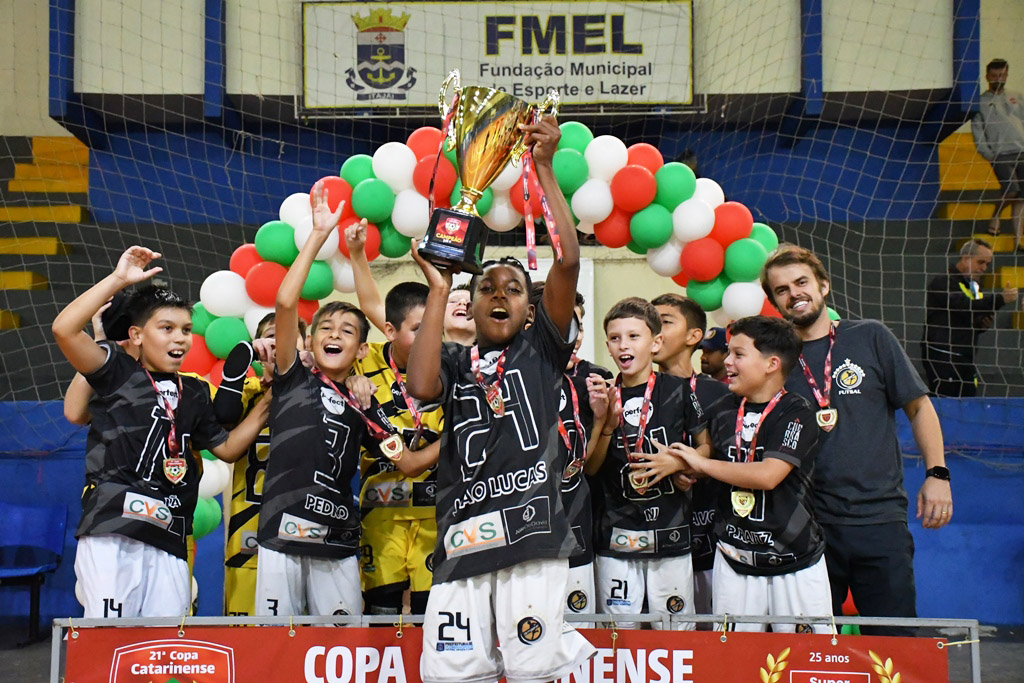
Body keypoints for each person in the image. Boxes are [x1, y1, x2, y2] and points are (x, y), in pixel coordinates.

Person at [406, 116, 596, 683]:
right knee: (451, 673)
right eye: (485, 287)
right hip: (462, 537)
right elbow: (419, 387)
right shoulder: (457, 362)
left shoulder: (542, 350)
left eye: (513, 289)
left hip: (532, 532)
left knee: (533, 668)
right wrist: (440, 289)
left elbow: (565, 262)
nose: (498, 295)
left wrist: (543, 169)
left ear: (530, 310)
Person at [51, 248, 267, 618]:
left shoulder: (195, 391)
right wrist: (118, 280)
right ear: (135, 335)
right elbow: (63, 329)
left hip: (169, 536)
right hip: (113, 527)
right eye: (166, 328)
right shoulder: (116, 370)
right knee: (109, 643)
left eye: (186, 330)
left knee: (164, 649)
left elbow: (228, 449)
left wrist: (267, 402)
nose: (180, 339)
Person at [255, 183, 428, 619]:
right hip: (281, 536)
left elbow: (406, 464)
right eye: (326, 328)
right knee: (276, 651)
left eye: (348, 331)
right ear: (308, 342)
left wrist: (466, 421)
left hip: (338, 541)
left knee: (343, 649)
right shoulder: (293, 376)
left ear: (361, 351)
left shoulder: (363, 403)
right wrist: (318, 237)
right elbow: (284, 300)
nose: (335, 334)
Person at [762, 244, 952, 636]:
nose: (794, 293)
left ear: (824, 286)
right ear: (775, 303)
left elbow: (919, 407)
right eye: (782, 290)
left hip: (879, 519)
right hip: (806, 526)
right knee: (811, 649)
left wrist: (938, 474)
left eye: (801, 282)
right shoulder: (774, 363)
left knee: (894, 641)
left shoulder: (870, 337)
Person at [675, 316, 832, 633]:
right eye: (728, 353)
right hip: (735, 558)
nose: (727, 361)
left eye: (738, 354)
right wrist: (689, 469)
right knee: (734, 664)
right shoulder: (721, 410)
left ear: (772, 363)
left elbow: (768, 475)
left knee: (804, 664)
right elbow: (714, 458)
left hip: (794, 559)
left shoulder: (797, 413)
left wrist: (702, 465)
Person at [587, 297, 710, 630]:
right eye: (615, 338)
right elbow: (591, 468)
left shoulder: (679, 390)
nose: (623, 345)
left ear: (655, 342)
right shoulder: (602, 395)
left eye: (633, 336)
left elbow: (706, 448)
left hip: (670, 536)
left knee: (676, 634)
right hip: (615, 539)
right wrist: (605, 426)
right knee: (617, 634)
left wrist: (679, 464)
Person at [344, 222, 446, 617]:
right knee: (383, 612)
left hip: (433, 515)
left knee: (428, 614)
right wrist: (356, 255)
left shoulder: (448, 364)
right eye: (417, 330)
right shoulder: (365, 360)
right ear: (389, 332)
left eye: (431, 329)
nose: (426, 338)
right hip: (379, 514)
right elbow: (375, 305)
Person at [213, 313, 308, 616]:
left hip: (307, 534)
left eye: (289, 335)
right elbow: (223, 417)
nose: (278, 343)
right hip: (248, 534)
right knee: (245, 642)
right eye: (270, 336)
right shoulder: (247, 392)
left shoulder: (319, 391)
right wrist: (245, 354)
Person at [530, 284, 613, 627]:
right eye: (562, 323)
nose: (572, 334)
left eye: (577, 324)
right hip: (523, 525)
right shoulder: (509, 376)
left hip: (574, 516)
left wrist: (603, 420)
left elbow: (587, 467)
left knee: (578, 629)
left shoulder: (594, 380)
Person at [650, 294, 730, 618]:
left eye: (665, 321)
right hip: (647, 541)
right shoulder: (628, 390)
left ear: (693, 336)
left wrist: (685, 464)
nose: (654, 329)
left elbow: (730, 457)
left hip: (708, 541)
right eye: (649, 322)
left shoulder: (718, 393)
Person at [922, 239, 1019, 397]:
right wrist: (1000, 300)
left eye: (987, 264)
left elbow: (966, 317)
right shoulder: (943, 281)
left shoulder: (973, 287)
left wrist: (980, 325)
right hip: (943, 356)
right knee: (946, 405)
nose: (984, 268)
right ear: (966, 258)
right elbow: (962, 305)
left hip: (965, 357)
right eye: (980, 262)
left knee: (968, 402)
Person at [972, 58, 1024, 245]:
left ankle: (1018, 240)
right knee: (1012, 190)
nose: (998, 79)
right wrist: (988, 153)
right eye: (994, 76)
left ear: (1006, 75)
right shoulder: (980, 102)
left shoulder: (1016, 96)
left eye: (1001, 75)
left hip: (1021, 151)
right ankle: (996, 216)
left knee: (1022, 198)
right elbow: (978, 131)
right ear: (987, 77)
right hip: (1000, 154)